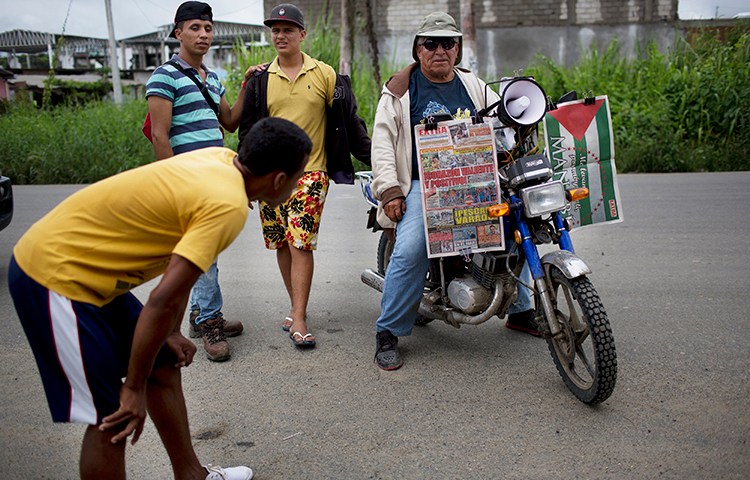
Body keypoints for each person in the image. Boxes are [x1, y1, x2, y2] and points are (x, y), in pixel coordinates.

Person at [7, 117, 311, 480]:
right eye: (297, 178)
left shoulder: (220, 158)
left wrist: (170, 332)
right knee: (112, 416)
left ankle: (191, 475)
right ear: (279, 179)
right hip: (54, 276)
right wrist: (133, 387)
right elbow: (162, 299)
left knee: (163, 361)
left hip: (91, 275)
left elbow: (178, 273)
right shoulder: (227, 206)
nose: (296, 186)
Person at [370, 11, 539, 371]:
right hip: (420, 183)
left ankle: (521, 310)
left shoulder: (474, 85)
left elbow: (504, 116)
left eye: (448, 43)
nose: (440, 50)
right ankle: (388, 331)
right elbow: (382, 144)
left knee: (521, 223)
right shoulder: (399, 91)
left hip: (474, 179)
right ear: (418, 50)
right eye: (431, 43)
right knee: (413, 246)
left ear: (458, 49)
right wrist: (389, 191)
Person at [238, 3, 371, 349]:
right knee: (281, 242)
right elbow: (248, 132)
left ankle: (298, 317)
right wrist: (247, 180)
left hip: (311, 173)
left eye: (287, 30)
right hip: (269, 178)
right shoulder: (260, 80)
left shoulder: (325, 74)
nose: (280, 36)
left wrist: (375, 157)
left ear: (301, 34)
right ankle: (296, 306)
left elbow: (350, 121)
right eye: (275, 30)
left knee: (300, 242)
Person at [146, 1, 250, 361]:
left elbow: (231, 121)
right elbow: (160, 136)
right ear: (178, 33)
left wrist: (248, 84)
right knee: (202, 251)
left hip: (214, 178)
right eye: (194, 28)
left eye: (207, 28)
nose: (203, 34)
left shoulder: (213, 76)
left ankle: (200, 314)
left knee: (206, 251)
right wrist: (174, 183)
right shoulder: (164, 76)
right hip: (186, 180)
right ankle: (209, 321)